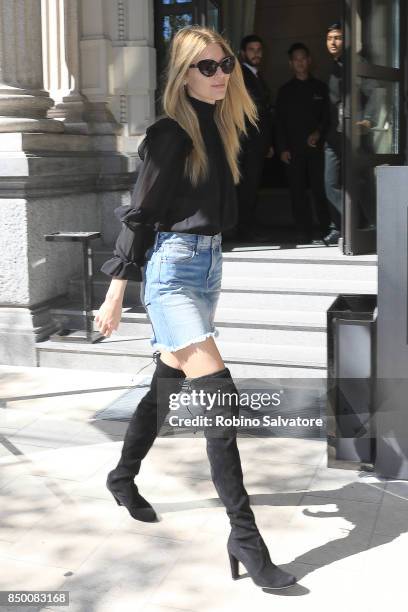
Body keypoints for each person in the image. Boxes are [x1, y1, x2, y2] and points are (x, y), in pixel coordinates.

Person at [94, 25, 297, 591]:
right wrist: (116, 292)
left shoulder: (222, 127)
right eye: (205, 67)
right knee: (219, 392)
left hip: (207, 268)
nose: (220, 74)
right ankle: (245, 538)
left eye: (225, 63)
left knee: (166, 385)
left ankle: (122, 476)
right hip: (172, 272)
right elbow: (140, 216)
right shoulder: (169, 134)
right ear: (182, 75)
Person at [324, 21, 378, 245]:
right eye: (329, 38)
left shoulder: (356, 64)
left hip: (355, 134)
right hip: (334, 136)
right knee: (331, 184)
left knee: (361, 183)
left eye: (338, 38)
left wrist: (368, 120)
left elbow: (375, 91)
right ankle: (351, 224)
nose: (333, 42)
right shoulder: (335, 66)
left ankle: (370, 226)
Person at [276, 42, 331, 243]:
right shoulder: (285, 91)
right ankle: (303, 231)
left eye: (303, 58)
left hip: (317, 149)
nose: (300, 62)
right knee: (297, 192)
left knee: (320, 189)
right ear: (291, 64)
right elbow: (279, 122)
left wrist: (318, 132)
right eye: (296, 59)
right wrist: (282, 148)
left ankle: (327, 229)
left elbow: (327, 117)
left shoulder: (321, 88)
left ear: (309, 61)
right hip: (293, 150)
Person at [234, 34, 274, 242]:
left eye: (259, 49)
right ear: (243, 53)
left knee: (251, 187)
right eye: (251, 50)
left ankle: (247, 226)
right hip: (246, 144)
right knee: (247, 188)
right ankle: (244, 230)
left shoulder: (257, 76)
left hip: (257, 144)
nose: (256, 53)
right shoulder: (240, 75)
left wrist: (267, 143)